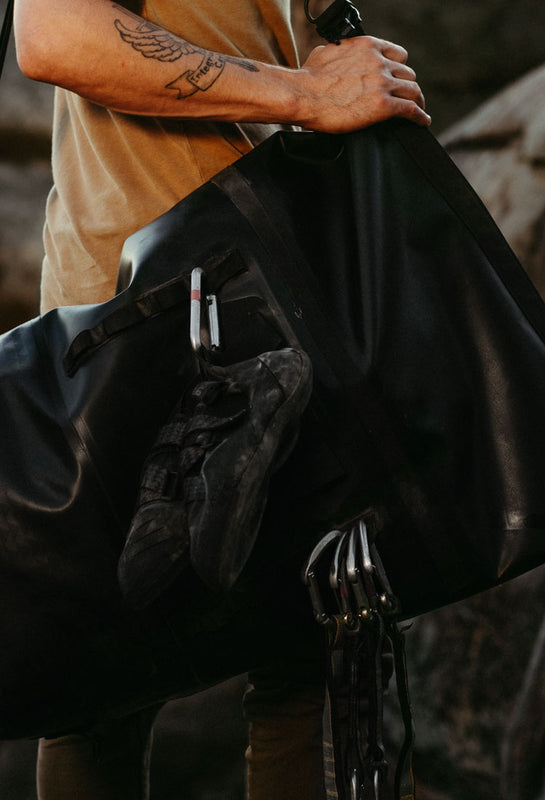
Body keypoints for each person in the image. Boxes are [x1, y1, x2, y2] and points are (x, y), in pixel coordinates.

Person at [13, 1, 430, 798]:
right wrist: (308, 95)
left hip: (284, 300)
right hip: (141, 329)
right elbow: (57, 33)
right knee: (101, 688)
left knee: (322, 657)